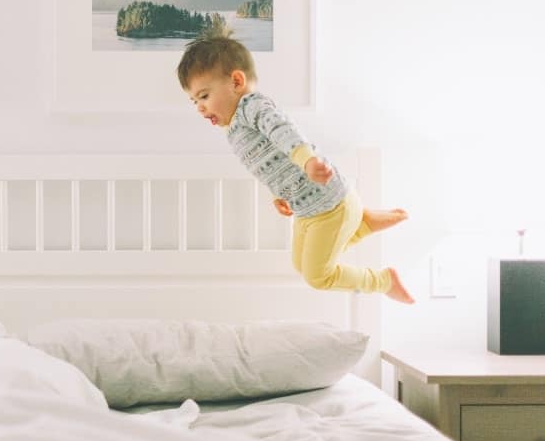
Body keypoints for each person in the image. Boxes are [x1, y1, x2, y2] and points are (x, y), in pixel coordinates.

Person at [176, 25, 414, 304]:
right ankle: (364, 223)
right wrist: (279, 194)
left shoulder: (252, 106)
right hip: (307, 207)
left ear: (236, 82)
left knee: (318, 276)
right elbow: (271, 163)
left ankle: (383, 281)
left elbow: (284, 134)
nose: (200, 107)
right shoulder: (235, 128)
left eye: (204, 96)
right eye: (194, 101)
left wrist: (309, 162)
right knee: (301, 265)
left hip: (329, 204)